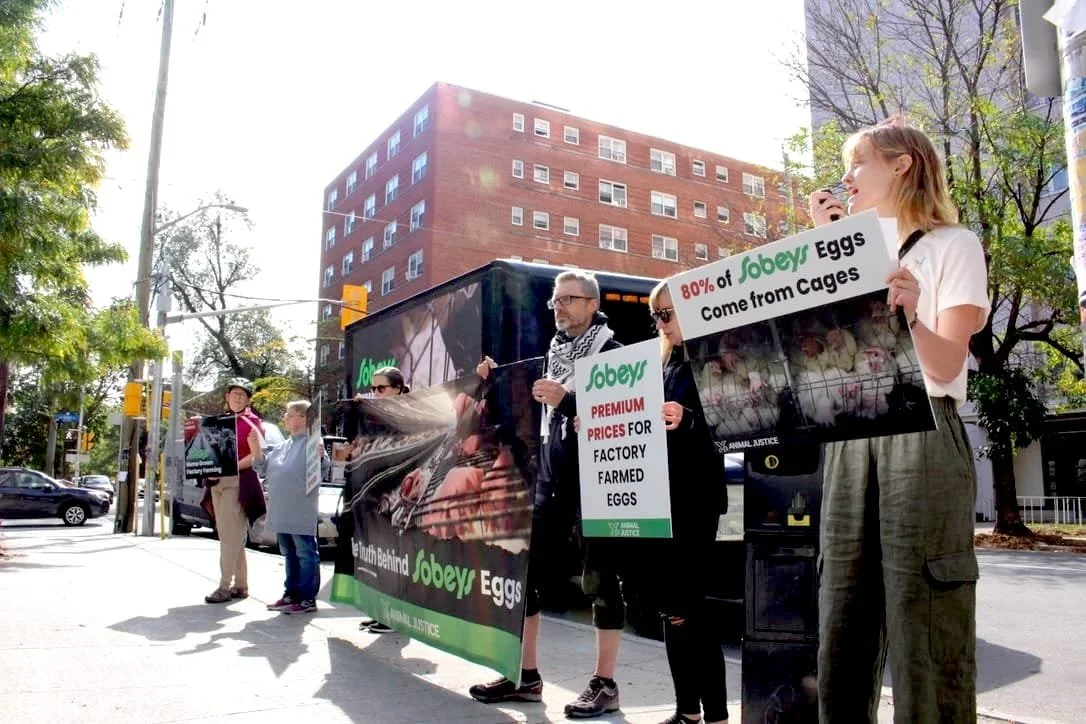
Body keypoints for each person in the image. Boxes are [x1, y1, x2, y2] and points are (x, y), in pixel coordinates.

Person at [808, 118, 989, 723]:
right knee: (842, 611)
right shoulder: (852, 249)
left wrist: (911, 315)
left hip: (924, 428)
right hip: (853, 431)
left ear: (901, 165)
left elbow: (948, 362)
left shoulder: (952, 245)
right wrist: (823, 247)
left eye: (858, 164)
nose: (846, 179)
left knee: (924, 617)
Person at [469, 270, 626, 719]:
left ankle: (606, 683)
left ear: (592, 305)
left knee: (601, 583)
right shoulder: (551, 357)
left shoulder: (615, 356)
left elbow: (629, 420)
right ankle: (525, 676)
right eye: (555, 301)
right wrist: (491, 380)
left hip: (597, 488)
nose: (558, 307)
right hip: (549, 483)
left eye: (569, 300)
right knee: (525, 578)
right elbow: (515, 410)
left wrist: (570, 403)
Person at [646, 281, 730, 724]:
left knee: (691, 609)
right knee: (672, 609)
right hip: (659, 496)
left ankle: (714, 715)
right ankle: (687, 711)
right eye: (656, 315)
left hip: (695, 499)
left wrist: (690, 419)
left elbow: (736, 420)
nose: (662, 322)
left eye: (668, 312)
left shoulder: (716, 357)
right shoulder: (663, 362)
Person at [250, 399, 330, 615]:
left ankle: (307, 599)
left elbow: (322, 467)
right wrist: (256, 450)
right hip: (282, 509)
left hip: (300, 509)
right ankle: (291, 594)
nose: (284, 418)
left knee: (305, 553)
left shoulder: (313, 442)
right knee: (289, 553)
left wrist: (321, 457)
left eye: (289, 414)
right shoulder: (283, 445)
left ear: (303, 418)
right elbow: (263, 469)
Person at [351, 366, 411, 633]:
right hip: (376, 494)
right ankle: (381, 612)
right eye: (373, 388)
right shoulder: (376, 413)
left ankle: (395, 617)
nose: (375, 393)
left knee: (395, 557)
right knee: (379, 556)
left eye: (381, 388)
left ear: (398, 388)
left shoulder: (409, 412)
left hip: (397, 494)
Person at [203, 378, 267, 604]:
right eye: (234, 394)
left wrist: (230, 467)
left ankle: (224, 586)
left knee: (229, 537)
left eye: (242, 395)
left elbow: (256, 456)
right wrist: (209, 468)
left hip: (238, 482)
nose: (237, 398)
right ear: (227, 397)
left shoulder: (253, 423)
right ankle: (240, 584)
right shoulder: (219, 422)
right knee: (229, 535)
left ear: (249, 399)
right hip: (216, 482)